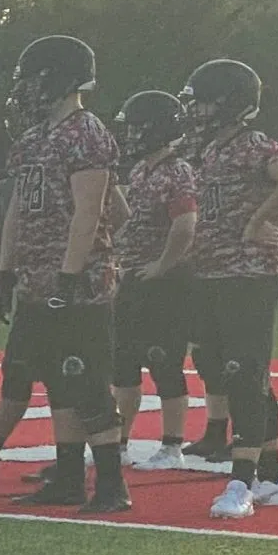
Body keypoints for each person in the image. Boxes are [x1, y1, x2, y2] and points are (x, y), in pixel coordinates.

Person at [0, 36, 129, 514]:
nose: (27, 90)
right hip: (35, 278)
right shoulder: (31, 141)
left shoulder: (86, 133)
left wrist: (70, 276)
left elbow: (89, 211)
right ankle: (68, 476)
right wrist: (5, 270)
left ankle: (111, 483)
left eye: (34, 79)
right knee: (55, 381)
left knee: (86, 379)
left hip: (79, 283)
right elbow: (16, 213)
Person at [180, 58, 278, 519]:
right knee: (240, 373)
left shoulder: (253, 143)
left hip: (248, 273)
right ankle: (273, 476)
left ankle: (241, 481)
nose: (194, 109)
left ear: (227, 102)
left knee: (244, 372)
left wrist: (259, 221)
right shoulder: (212, 149)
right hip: (216, 273)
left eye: (202, 100)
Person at [111, 90, 201, 468]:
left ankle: (172, 445)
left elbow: (186, 223)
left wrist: (163, 265)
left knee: (164, 362)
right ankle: (119, 441)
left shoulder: (177, 170)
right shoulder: (140, 171)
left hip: (165, 283)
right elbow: (132, 222)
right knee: (123, 365)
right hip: (133, 276)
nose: (130, 135)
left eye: (137, 128)